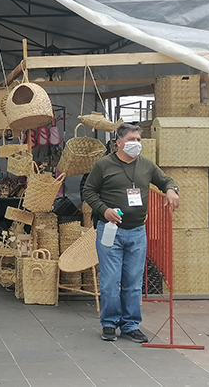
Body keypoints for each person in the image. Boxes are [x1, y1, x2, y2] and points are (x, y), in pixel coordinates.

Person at [83, 123, 179, 343]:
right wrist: (104, 210)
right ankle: (109, 323)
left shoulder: (147, 165)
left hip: (137, 231)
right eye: (131, 140)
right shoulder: (104, 165)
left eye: (138, 140)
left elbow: (165, 180)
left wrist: (171, 190)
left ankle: (131, 324)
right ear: (119, 143)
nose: (136, 144)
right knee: (110, 280)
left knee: (133, 281)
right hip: (110, 230)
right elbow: (89, 191)